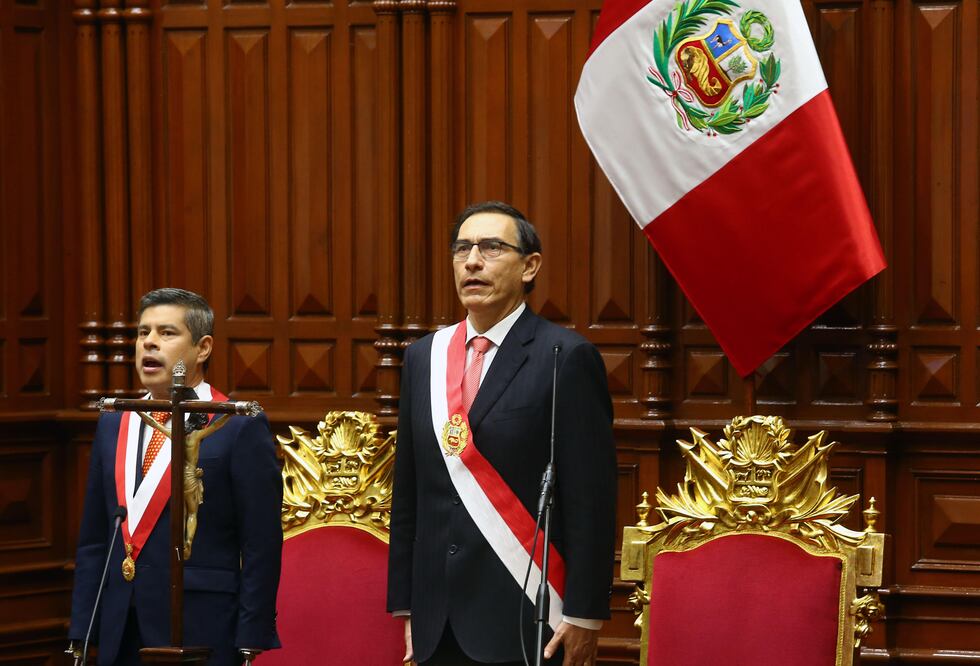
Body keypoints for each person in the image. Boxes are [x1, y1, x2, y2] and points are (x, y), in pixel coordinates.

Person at [387, 202, 617, 665]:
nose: (472, 261)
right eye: (462, 250)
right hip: (438, 620)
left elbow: (591, 499)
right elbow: (409, 493)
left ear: (530, 266)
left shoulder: (565, 357)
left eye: (491, 248)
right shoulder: (424, 358)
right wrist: (408, 607)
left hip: (526, 614)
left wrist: (585, 615)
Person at [68, 288, 282, 665]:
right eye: (142, 332)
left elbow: (261, 543)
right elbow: (94, 539)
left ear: (203, 348)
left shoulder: (234, 424)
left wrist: (252, 635)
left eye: (166, 333)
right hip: (120, 623)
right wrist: (83, 631)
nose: (149, 342)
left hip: (201, 625)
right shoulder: (114, 420)